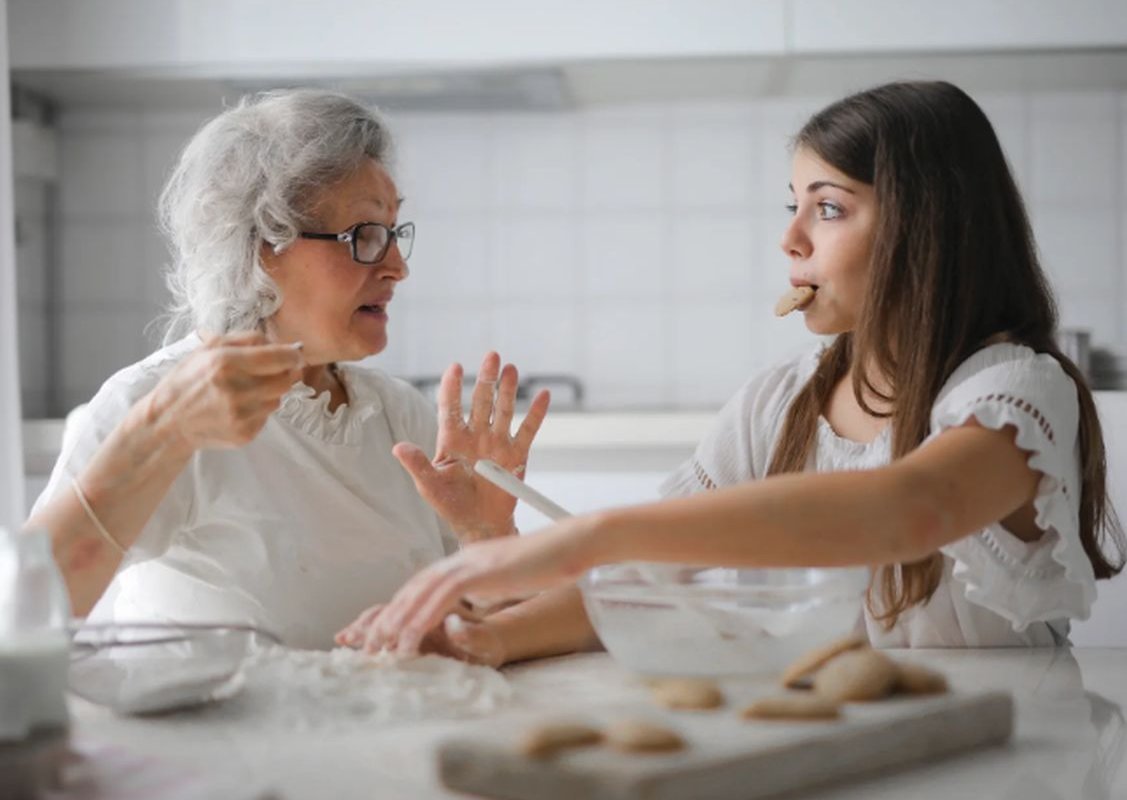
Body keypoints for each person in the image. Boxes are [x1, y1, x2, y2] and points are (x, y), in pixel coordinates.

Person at [341, 80, 1125, 660]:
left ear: (927, 228)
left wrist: (593, 532)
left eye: (827, 207)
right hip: (846, 752)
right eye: (791, 205)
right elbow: (650, 578)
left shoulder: (1015, 392)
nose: (789, 239)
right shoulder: (778, 403)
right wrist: (487, 637)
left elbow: (911, 509)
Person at [26, 89, 548, 649]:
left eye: (395, 233)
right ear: (258, 247)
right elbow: (26, 612)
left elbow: (486, 635)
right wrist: (160, 433)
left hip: (397, 734)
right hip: (222, 737)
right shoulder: (154, 401)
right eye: (364, 236)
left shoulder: (399, 416)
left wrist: (487, 536)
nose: (397, 266)